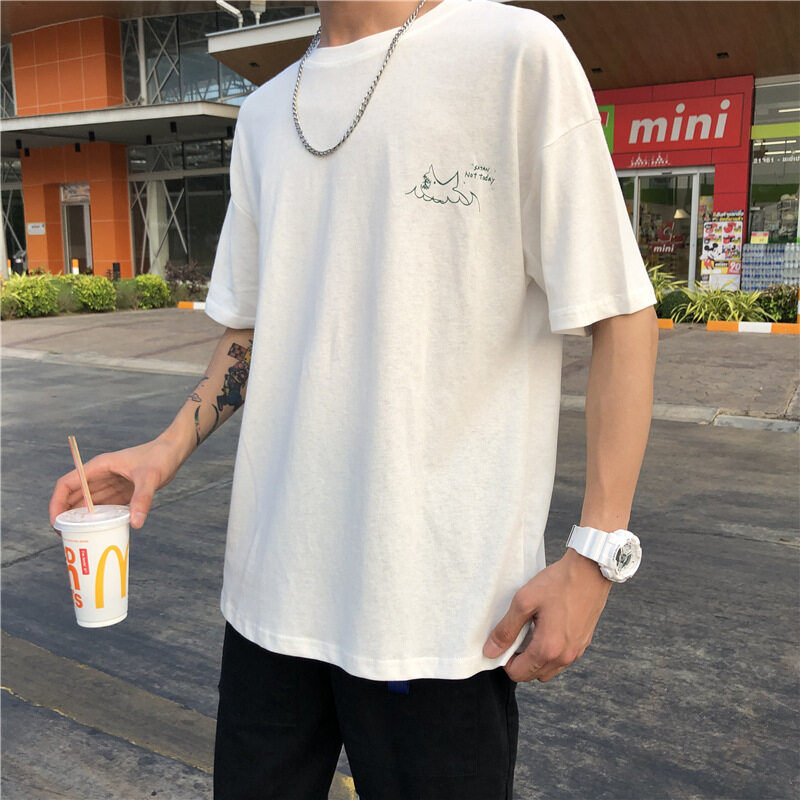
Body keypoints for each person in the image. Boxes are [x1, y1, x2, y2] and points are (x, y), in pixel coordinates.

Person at [50, 0, 659, 797]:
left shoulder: (514, 54)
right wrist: (163, 452)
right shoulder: (264, 116)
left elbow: (622, 315)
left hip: (440, 617)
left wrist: (596, 556)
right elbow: (253, 331)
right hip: (272, 600)